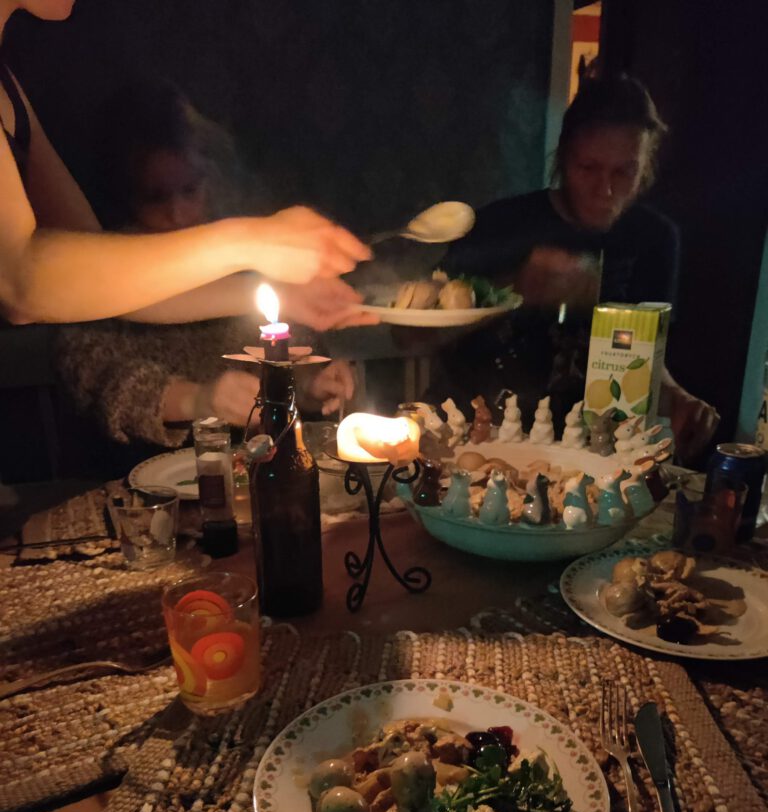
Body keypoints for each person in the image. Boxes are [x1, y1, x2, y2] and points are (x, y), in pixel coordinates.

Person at [0, 1, 374, 333]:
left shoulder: (8, 88)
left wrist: (283, 294)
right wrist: (250, 241)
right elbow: (20, 284)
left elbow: (85, 278)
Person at [54, 79, 354, 468]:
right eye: (156, 196)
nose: (177, 213)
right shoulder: (100, 270)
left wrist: (312, 385)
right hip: (147, 475)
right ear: (126, 194)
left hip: (258, 470)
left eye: (189, 189)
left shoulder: (243, 257)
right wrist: (198, 399)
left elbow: (288, 353)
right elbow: (103, 382)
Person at [427, 74, 719, 463]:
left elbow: (644, 351)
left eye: (623, 172)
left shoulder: (655, 238)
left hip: (586, 454)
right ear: (563, 157)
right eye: (588, 168)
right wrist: (515, 288)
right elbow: (410, 337)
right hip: (471, 439)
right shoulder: (498, 227)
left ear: (645, 167)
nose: (606, 190)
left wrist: (675, 394)